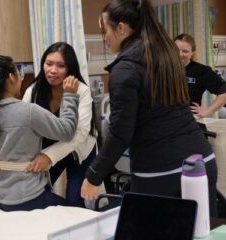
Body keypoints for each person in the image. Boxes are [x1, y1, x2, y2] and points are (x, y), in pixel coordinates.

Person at [81, 0, 218, 217]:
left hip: (162, 172)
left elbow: (119, 134)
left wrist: (93, 175)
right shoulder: (166, 55)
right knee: (198, 233)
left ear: (121, 28)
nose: (103, 38)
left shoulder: (124, 69)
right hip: (202, 162)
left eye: (103, 30)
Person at [0, 55, 80, 212]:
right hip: (29, 197)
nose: (21, 78)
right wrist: (70, 95)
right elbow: (67, 131)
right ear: (11, 78)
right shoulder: (29, 112)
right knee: (77, 214)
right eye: (19, 73)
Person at [22, 42, 98, 207]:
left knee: (74, 201)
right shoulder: (33, 91)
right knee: (38, 194)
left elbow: (79, 134)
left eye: (60, 66)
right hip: (48, 147)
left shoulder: (81, 91)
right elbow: (20, 126)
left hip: (79, 150)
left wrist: (48, 156)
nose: (53, 70)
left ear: (70, 68)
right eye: (49, 64)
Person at [174, 33, 226, 118]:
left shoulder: (201, 71)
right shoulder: (161, 69)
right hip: (163, 121)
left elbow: (224, 92)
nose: (180, 54)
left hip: (189, 121)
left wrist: (207, 112)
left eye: (185, 51)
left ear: (192, 53)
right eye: (176, 50)